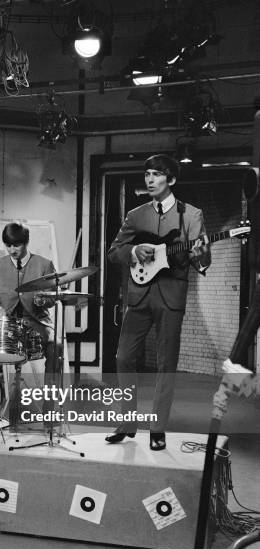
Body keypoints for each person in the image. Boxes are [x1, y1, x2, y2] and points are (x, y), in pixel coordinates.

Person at [106, 154, 210, 450]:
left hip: (171, 296)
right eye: (147, 174)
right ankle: (128, 422)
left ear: (172, 180)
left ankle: (158, 428)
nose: (149, 179)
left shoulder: (191, 214)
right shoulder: (136, 215)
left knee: (166, 364)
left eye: (156, 174)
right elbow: (114, 252)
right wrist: (134, 250)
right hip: (138, 295)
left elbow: (202, 262)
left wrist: (200, 254)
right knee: (123, 357)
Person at [0, 222, 59, 422]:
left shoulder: (44, 264)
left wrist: (44, 300)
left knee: (55, 346)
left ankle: (49, 407)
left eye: (16, 245)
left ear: (26, 243)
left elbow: (53, 295)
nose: (12, 250)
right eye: (8, 245)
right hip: (8, 324)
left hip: (36, 321)